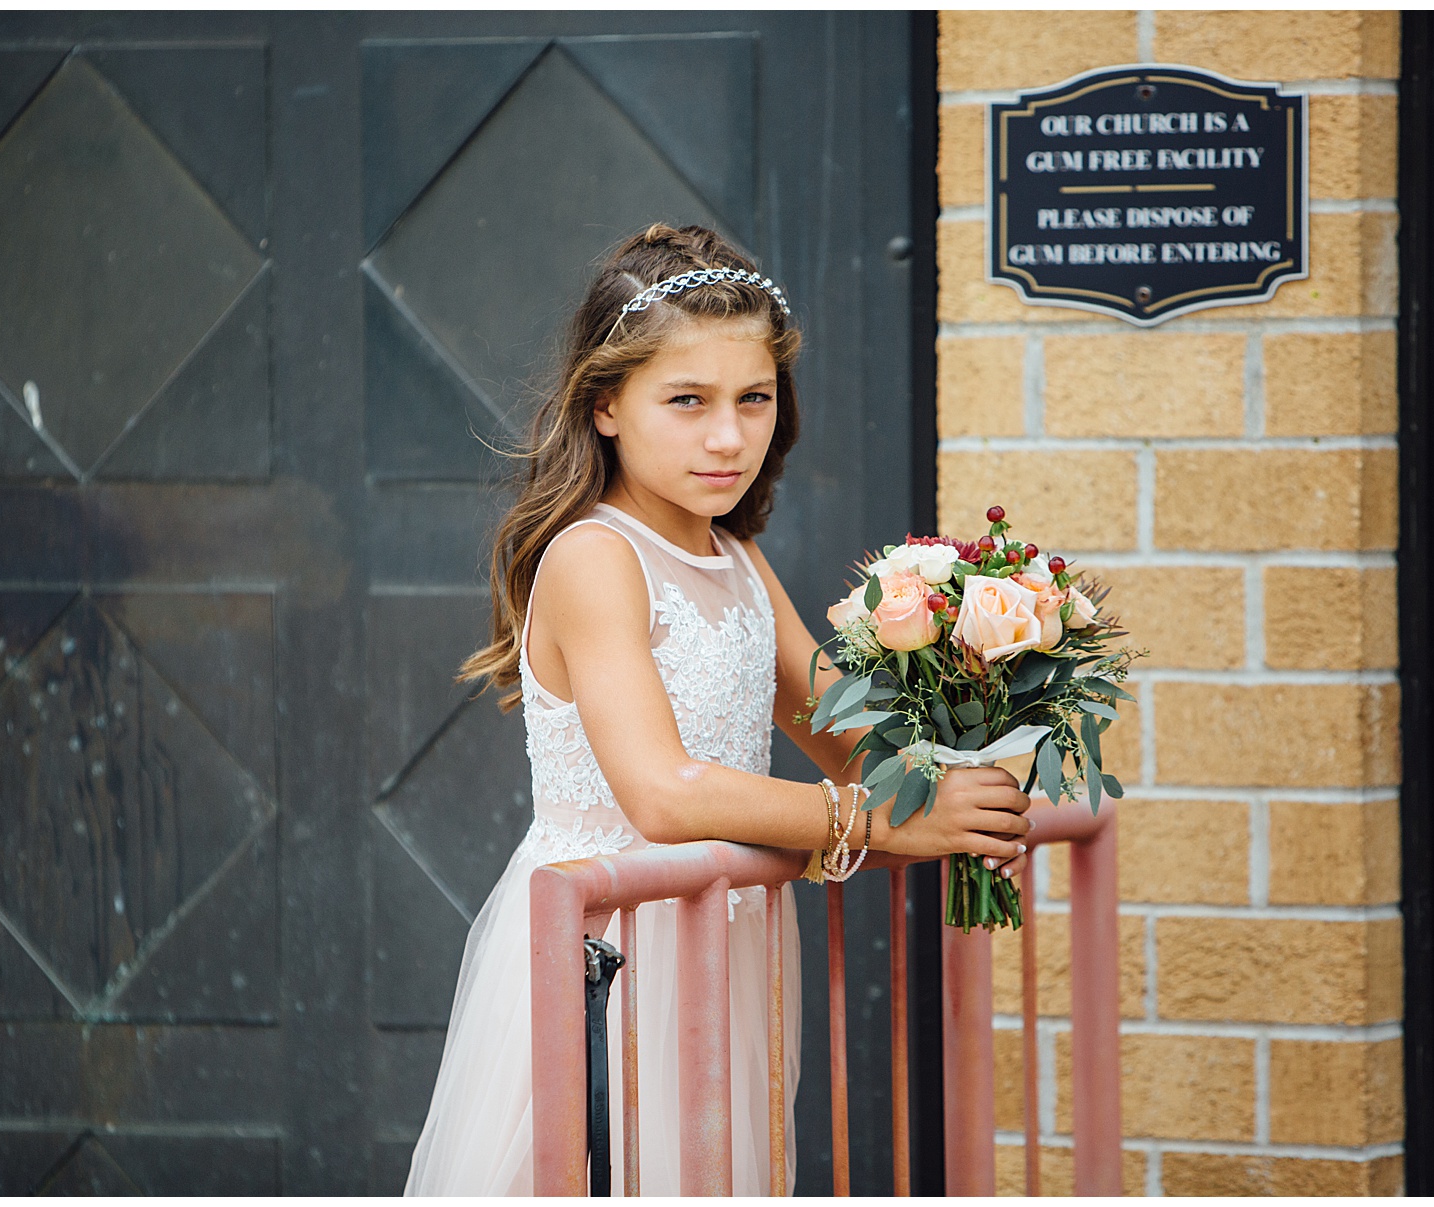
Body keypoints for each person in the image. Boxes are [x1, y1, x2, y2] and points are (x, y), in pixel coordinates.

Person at [404, 223, 1031, 1195]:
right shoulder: (593, 558)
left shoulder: (737, 563)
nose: (729, 436)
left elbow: (850, 739)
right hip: (613, 957)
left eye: (754, 399)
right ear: (606, 404)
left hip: (726, 942)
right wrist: (879, 822)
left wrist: (959, 769)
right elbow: (663, 795)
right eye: (687, 401)